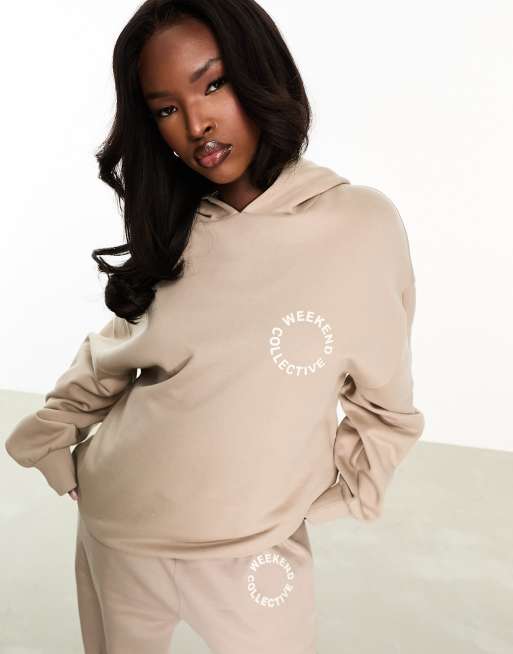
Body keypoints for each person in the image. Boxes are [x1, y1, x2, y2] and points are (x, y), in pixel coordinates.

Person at [4, 0, 425, 652]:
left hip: (257, 556)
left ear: (261, 74)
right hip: (121, 533)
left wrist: (333, 495)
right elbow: (116, 352)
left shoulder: (359, 226)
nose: (195, 122)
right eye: (165, 109)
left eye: (213, 84)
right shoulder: (179, 229)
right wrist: (55, 444)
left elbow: (385, 404)